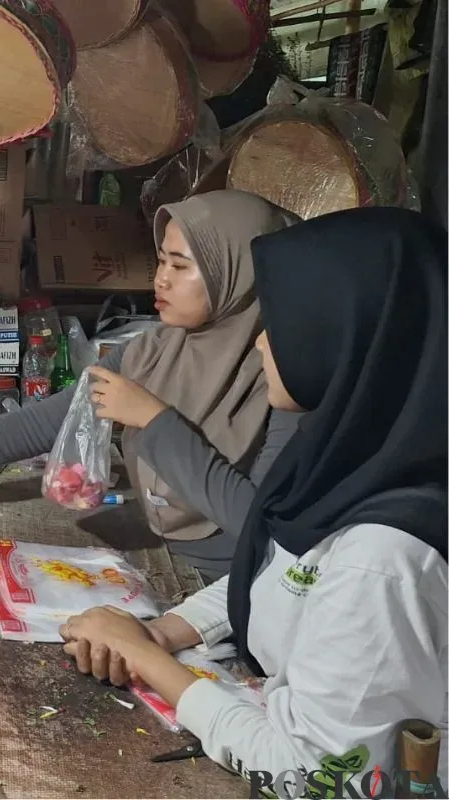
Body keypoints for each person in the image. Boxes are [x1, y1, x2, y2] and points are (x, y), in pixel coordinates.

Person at [60, 207, 447, 786]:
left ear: (351, 332)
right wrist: (164, 631)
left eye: (286, 321)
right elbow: (287, 575)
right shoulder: (345, 459)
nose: (263, 340)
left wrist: (148, 662)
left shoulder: (384, 559)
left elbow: (311, 776)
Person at [0, 190, 301, 580]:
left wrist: (153, 419)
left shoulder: (288, 378)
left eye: (181, 266)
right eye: (160, 261)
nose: (161, 280)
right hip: (157, 550)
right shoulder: (154, 350)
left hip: (234, 580)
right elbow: (48, 421)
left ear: (237, 273)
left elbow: (257, 519)